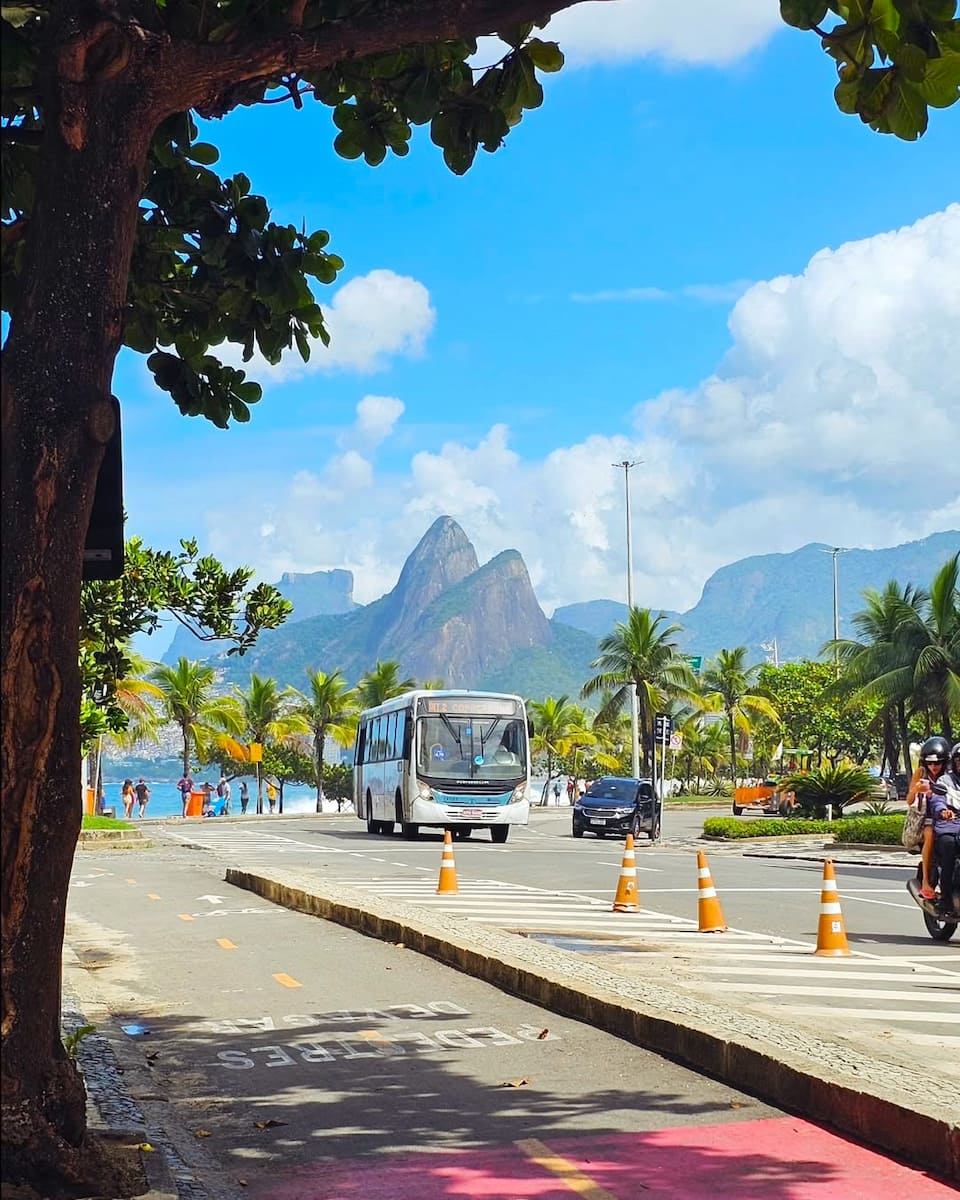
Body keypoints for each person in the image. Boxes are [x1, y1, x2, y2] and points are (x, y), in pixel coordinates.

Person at [909, 736, 953, 900]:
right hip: (928, 817)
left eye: (937, 763)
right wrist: (916, 789)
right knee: (930, 834)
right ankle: (927, 881)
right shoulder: (921, 773)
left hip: (952, 817)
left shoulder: (951, 775)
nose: (933, 767)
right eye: (930, 763)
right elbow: (909, 800)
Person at [927, 774, 959, 915]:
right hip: (950, 825)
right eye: (959, 761)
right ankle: (945, 898)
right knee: (949, 845)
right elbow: (937, 800)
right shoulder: (945, 781)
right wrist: (943, 811)